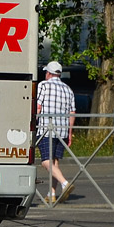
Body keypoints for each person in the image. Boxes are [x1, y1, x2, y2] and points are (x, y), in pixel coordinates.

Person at [36, 60, 76, 203]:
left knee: (46, 162)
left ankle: (65, 184)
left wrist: (32, 123)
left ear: (48, 73)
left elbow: (38, 107)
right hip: (62, 130)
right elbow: (72, 113)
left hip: (47, 128)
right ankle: (51, 194)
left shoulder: (43, 86)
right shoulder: (68, 89)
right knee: (55, 163)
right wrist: (70, 133)